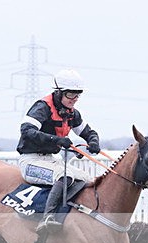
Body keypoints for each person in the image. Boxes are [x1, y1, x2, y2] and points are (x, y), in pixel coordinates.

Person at [15, 68, 101, 233]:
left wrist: (93, 141)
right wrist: (57, 140)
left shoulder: (72, 113)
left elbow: (89, 132)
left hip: (51, 160)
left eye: (77, 95)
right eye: (70, 94)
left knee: (87, 179)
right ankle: (47, 218)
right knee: (66, 176)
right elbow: (27, 131)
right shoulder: (42, 107)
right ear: (59, 92)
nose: (74, 99)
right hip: (31, 160)